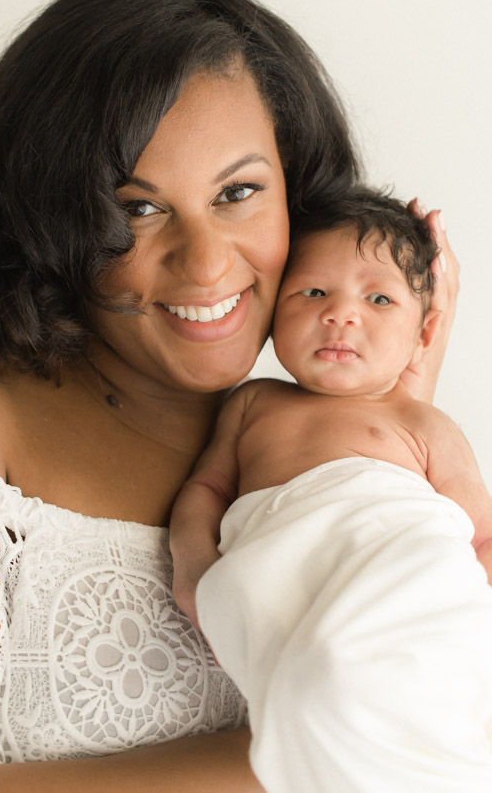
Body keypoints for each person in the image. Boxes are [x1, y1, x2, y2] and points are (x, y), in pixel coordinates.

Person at [0, 0, 456, 791]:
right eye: (138, 208)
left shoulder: (308, 448)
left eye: (238, 192)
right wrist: (302, 753)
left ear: (298, 196)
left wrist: (398, 408)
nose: (205, 263)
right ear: (55, 223)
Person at [169, 189, 492, 792]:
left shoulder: (422, 425)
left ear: (425, 333)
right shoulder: (253, 403)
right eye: (313, 292)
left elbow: (481, 540)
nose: (342, 314)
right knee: (302, 681)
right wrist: (194, 568)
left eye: (378, 298)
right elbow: (205, 490)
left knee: (353, 677)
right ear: (271, 315)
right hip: (278, 577)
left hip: (399, 585)